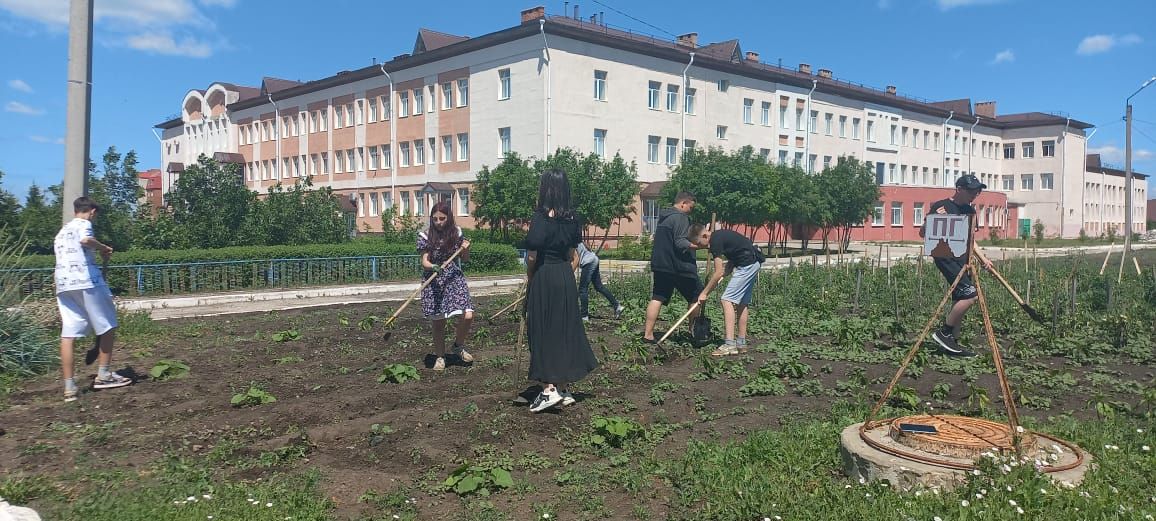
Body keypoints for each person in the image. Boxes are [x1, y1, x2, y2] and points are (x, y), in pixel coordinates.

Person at [524, 169, 598, 413]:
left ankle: (548, 389)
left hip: (545, 275)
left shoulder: (540, 218)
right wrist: (565, 273)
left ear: (545, 188)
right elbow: (574, 256)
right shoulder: (572, 219)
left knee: (542, 330)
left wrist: (532, 278)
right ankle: (564, 388)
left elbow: (532, 256)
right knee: (564, 328)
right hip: (565, 276)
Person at [55, 197, 132, 402]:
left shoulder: (62, 232)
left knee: (68, 332)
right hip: (87, 282)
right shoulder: (85, 224)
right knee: (108, 325)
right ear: (92, 211)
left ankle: (70, 387)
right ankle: (104, 375)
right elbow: (85, 240)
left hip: (64, 285)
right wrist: (103, 248)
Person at [921, 174, 994, 357]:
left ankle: (952, 344)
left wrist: (982, 259)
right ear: (959, 189)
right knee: (970, 295)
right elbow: (923, 233)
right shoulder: (941, 206)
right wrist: (935, 220)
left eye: (977, 191)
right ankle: (944, 332)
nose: (974, 194)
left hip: (962, 259)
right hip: (945, 256)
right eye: (971, 190)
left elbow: (970, 240)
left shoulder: (970, 211)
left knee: (960, 298)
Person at [689, 225, 764, 356]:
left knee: (726, 300)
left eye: (700, 243)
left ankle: (729, 345)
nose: (701, 246)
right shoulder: (720, 235)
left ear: (705, 236)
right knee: (742, 303)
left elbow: (717, 272)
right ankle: (741, 343)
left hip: (747, 265)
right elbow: (738, 247)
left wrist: (704, 293)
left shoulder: (715, 241)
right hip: (753, 262)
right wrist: (731, 264)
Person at [417, 201, 474, 371]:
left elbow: (464, 259)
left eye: (442, 218)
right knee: (439, 322)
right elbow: (425, 261)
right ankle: (440, 357)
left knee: (468, 315)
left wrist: (465, 248)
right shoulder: (426, 235)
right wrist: (433, 266)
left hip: (453, 277)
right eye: (435, 219)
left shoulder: (456, 233)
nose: (438, 222)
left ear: (448, 218)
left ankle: (458, 346)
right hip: (434, 279)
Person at [642, 191, 704, 344]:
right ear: (683, 204)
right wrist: (699, 246)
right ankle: (693, 333)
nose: (691, 210)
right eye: (691, 207)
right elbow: (680, 242)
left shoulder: (664, 218)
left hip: (661, 265)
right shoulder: (681, 218)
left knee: (658, 297)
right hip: (679, 266)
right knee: (697, 297)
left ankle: (648, 335)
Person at [576, 241, 624, 322]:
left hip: (588, 262)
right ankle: (617, 306)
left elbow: (575, 258)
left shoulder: (570, 241)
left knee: (582, 289)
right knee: (598, 286)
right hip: (594, 259)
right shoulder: (576, 239)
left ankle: (584, 316)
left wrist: (569, 272)